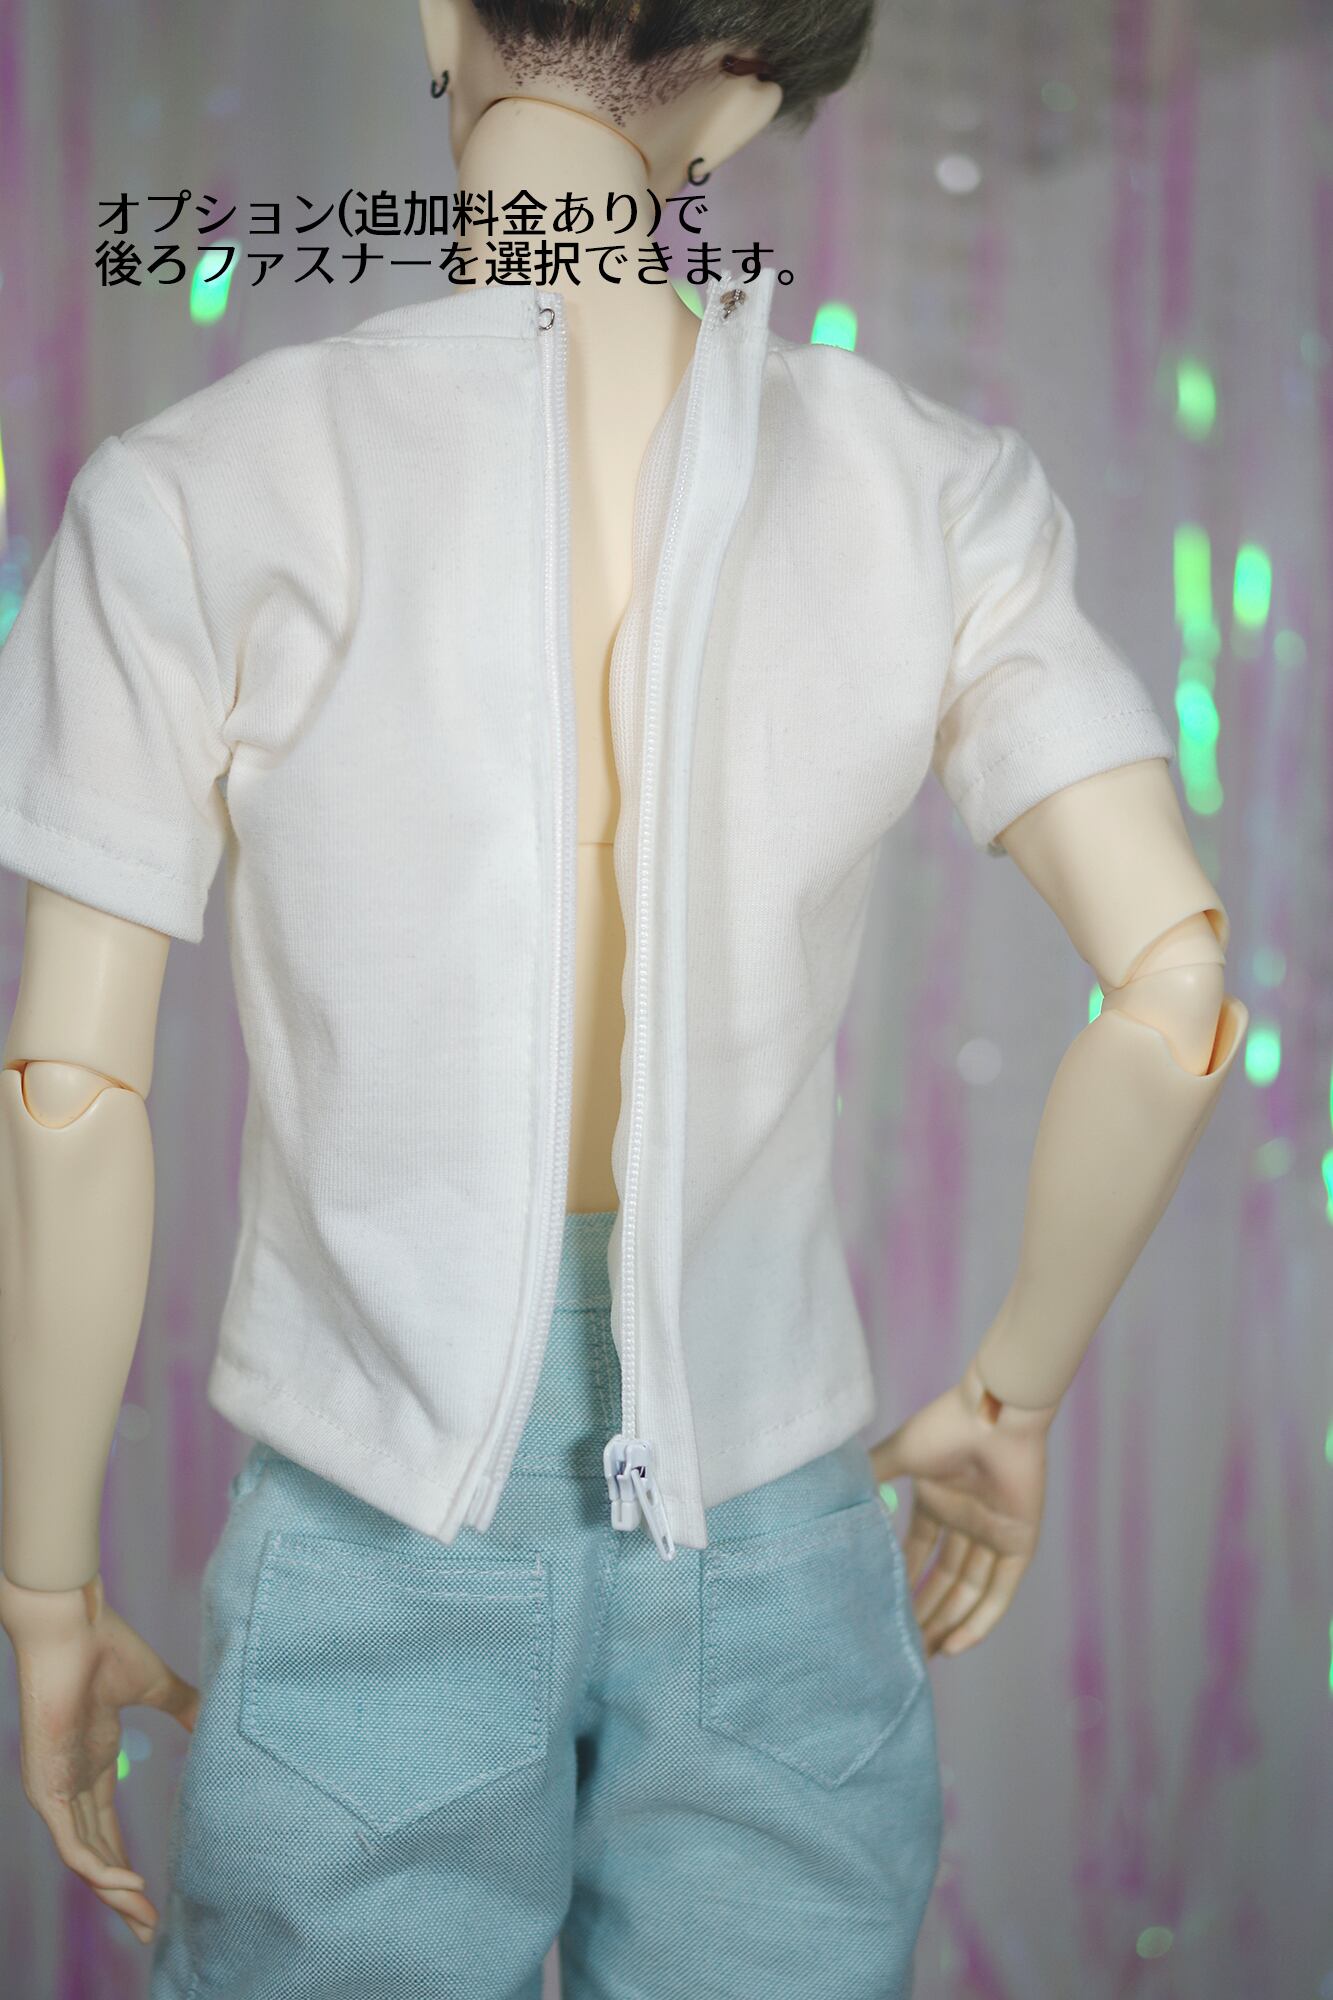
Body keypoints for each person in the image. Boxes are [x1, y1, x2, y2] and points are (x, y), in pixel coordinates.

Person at [0, 3, 1245, 1995]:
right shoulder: (930, 490)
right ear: (747, 94)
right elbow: (1175, 991)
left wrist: (43, 1580)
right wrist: (1008, 1397)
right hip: (773, 1519)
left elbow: (66, 1092)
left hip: (380, 1522)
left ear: (441, 19)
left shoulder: (202, 492)